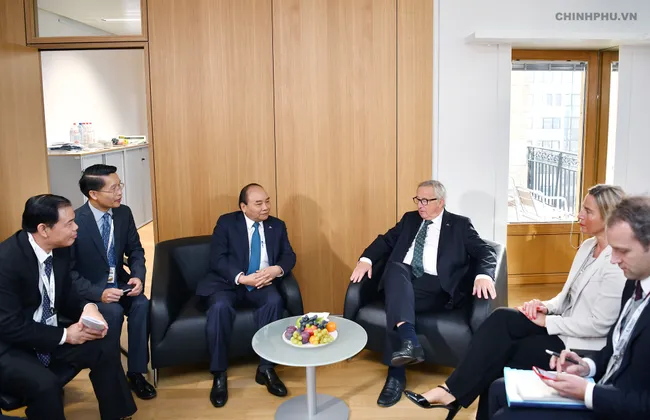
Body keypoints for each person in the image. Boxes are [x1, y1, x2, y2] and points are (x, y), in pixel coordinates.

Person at [404, 184, 626, 419]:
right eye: (582, 208)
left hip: (581, 345)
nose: (580, 215)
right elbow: (565, 296)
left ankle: (454, 396)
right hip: (562, 327)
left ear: (609, 215)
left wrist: (547, 323)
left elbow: (599, 325)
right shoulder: (588, 246)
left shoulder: (616, 263)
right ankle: (451, 391)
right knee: (502, 317)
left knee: (502, 354)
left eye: (588, 211)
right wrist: (544, 306)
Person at [489, 195, 650, 420]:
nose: (613, 259)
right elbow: (615, 351)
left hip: (618, 407)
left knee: (505, 415)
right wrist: (586, 366)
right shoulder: (634, 283)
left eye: (622, 251)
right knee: (498, 388)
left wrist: (588, 392)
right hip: (603, 388)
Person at [349, 180, 498, 408]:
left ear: (441, 202)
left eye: (426, 200)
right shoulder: (410, 219)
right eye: (418, 199)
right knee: (397, 269)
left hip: (436, 285)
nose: (421, 205)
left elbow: (485, 251)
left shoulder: (459, 225)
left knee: (395, 300)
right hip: (403, 279)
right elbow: (385, 240)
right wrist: (365, 259)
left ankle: (396, 375)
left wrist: (484, 275)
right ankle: (409, 342)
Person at [0, 194, 137, 420]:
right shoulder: (6, 262)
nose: (76, 228)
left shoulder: (60, 248)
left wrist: (87, 307)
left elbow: (65, 293)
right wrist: (66, 335)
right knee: (46, 386)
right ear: (44, 229)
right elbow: (10, 326)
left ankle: (119, 415)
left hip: (48, 335)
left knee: (104, 346)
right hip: (11, 347)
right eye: (69, 223)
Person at [196, 183, 297, 408]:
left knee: (275, 300)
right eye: (258, 203)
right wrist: (241, 278)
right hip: (229, 283)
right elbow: (217, 259)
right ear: (244, 206)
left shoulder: (277, 226)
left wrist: (276, 269)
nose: (265, 207)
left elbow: (289, 255)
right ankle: (219, 373)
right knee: (220, 307)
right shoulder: (226, 223)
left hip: (261, 283)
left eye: (267, 201)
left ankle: (266, 368)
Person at [70, 164, 156, 400]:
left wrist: (138, 276)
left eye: (120, 186)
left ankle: (136, 372)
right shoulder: (75, 221)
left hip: (119, 281)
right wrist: (99, 294)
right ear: (93, 194)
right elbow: (69, 273)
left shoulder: (123, 213)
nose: (120, 192)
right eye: (114, 188)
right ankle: (112, 375)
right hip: (92, 290)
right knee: (113, 312)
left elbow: (136, 250)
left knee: (141, 305)